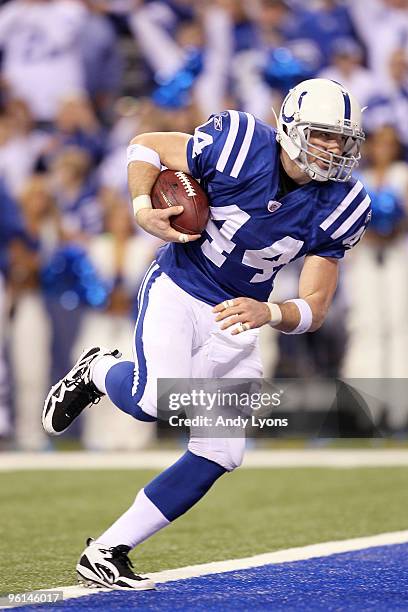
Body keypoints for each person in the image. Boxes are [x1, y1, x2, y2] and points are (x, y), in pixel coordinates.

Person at [42, 78, 371, 590]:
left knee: (221, 451)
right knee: (155, 400)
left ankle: (108, 549)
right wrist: (140, 206)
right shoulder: (240, 141)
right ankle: (99, 370)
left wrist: (273, 313)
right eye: (322, 135)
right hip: (180, 286)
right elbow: (145, 144)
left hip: (237, 315)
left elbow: (316, 307)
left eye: (341, 139)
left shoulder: (344, 203)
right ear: (289, 127)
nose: (333, 149)